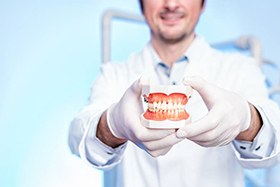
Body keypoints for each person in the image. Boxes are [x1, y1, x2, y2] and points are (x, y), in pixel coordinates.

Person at [68, 0, 280, 187]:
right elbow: (78, 140)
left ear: (203, 3)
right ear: (141, 3)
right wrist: (111, 124)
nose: (171, 4)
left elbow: (274, 141)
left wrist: (247, 119)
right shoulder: (114, 75)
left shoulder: (239, 69)